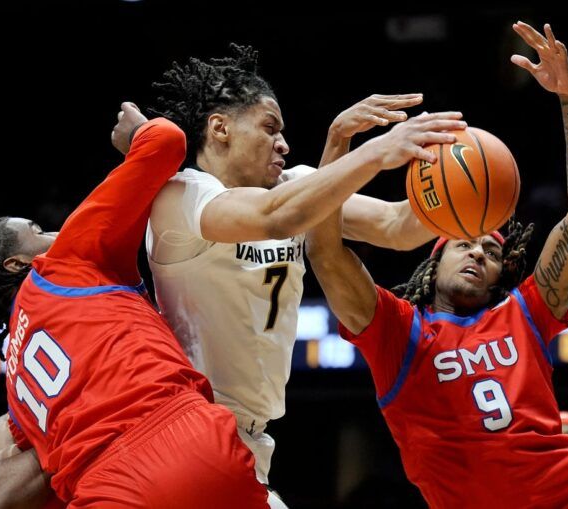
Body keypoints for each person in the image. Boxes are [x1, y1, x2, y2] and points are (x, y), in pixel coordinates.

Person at [305, 21, 568, 508]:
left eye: (491, 252)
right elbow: (325, 252)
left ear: (500, 275)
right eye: (464, 244)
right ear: (432, 264)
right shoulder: (397, 332)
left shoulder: (525, 314)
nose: (477, 252)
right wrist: (338, 142)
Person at [145, 43, 466, 503]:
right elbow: (277, 216)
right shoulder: (182, 196)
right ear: (220, 129)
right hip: (189, 423)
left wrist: (468, 188)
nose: (283, 143)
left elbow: (397, 226)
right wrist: (375, 151)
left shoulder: (293, 186)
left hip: (247, 438)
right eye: (269, 127)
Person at [0, 103, 269, 508]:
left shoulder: (20, 392)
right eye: (37, 231)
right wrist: (135, 134)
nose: (54, 231)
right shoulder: (61, 262)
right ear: (17, 264)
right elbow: (166, 140)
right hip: (186, 438)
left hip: (106, 486)